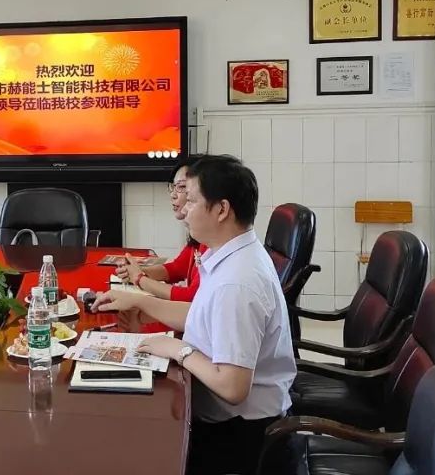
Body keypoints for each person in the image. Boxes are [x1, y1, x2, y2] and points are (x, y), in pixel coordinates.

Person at [92, 155, 295, 474]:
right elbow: (202, 315)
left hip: (240, 434)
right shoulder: (230, 254)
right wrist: (142, 306)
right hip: (223, 414)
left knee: (126, 443)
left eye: (192, 201)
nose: (184, 210)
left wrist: (178, 349)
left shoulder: (237, 282)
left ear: (221, 209)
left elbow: (233, 387)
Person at [115, 158, 206, 302]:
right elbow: (177, 269)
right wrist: (135, 271)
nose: (173, 195)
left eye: (182, 187)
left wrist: (140, 278)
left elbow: (192, 298)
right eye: (173, 187)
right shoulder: (200, 238)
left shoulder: (213, 243)